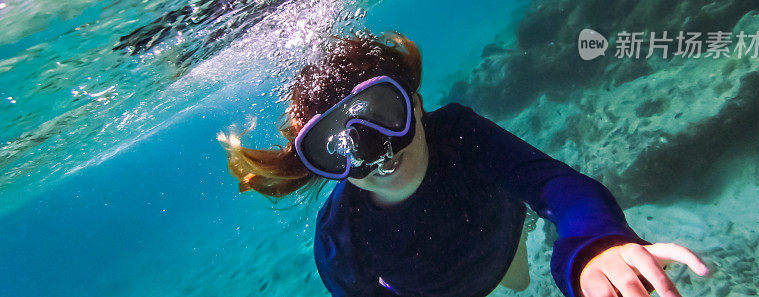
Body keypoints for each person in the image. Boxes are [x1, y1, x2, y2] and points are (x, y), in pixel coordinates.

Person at [218, 31, 709, 297]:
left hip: (503, 242)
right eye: (336, 146)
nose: (374, 151)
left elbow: (551, 182)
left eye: (383, 116)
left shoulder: (455, 131)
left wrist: (590, 246)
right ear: (319, 163)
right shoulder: (340, 237)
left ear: (416, 103)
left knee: (516, 279)